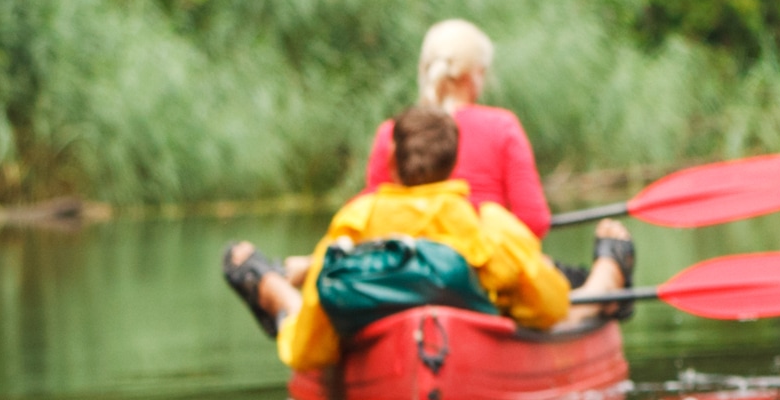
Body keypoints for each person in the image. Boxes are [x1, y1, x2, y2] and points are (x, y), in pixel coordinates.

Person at [222, 102, 630, 371]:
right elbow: (550, 307)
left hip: (373, 350)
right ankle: (606, 277)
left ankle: (273, 289)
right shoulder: (485, 228)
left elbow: (308, 345)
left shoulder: (354, 222)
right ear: (454, 165)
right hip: (470, 349)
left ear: (390, 162)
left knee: (299, 310)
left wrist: (297, 341)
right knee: (566, 300)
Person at [371, 19, 556, 237]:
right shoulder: (502, 126)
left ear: (423, 69)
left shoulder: (392, 131)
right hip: (483, 264)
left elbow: (371, 209)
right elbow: (533, 221)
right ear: (476, 74)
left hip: (411, 262)